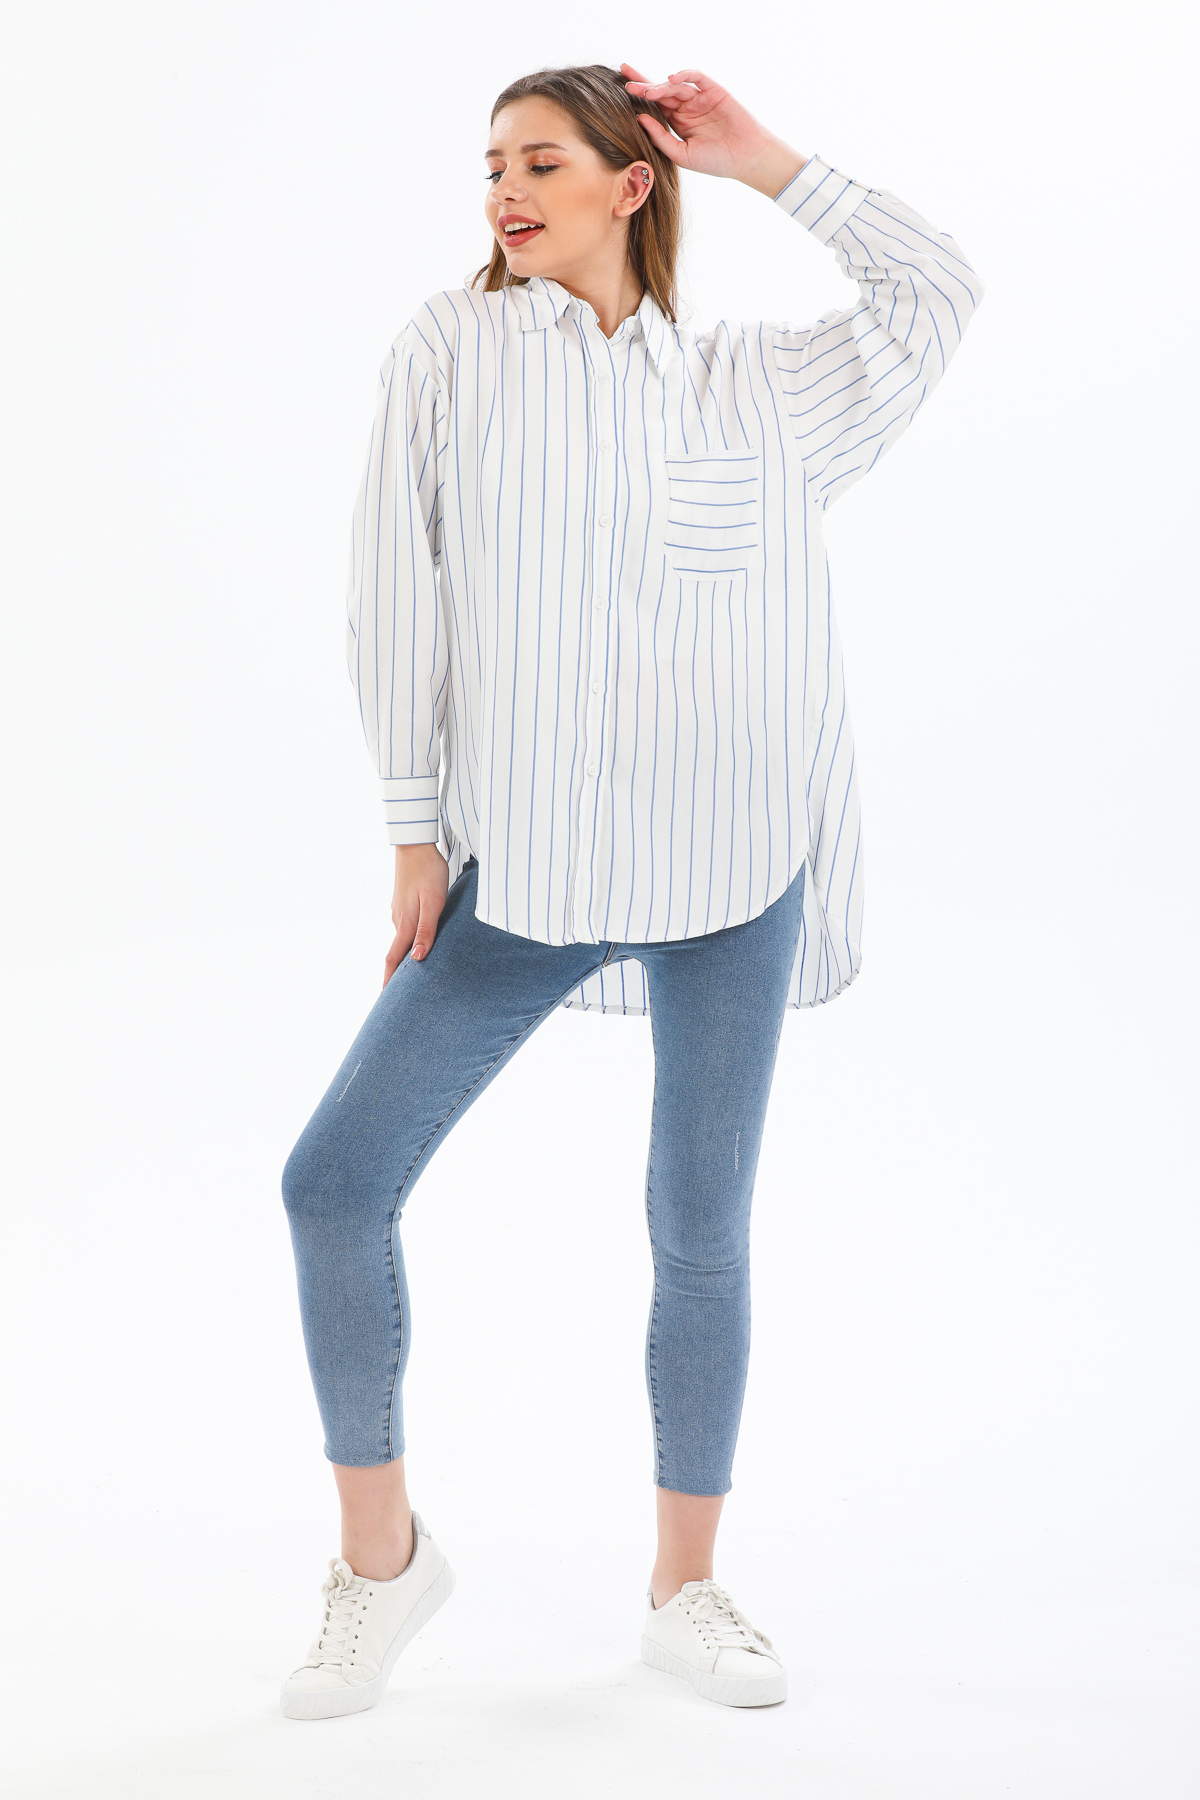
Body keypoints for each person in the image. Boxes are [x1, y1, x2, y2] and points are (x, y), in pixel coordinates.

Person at [278, 60, 984, 1720]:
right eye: (492, 167)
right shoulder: (451, 353)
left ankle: (688, 1587)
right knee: (334, 1186)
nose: (504, 192)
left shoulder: (756, 384)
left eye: (541, 162)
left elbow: (938, 290)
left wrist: (761, 157)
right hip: (525, 872)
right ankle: (382, 1564)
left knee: (698, 1230)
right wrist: (413, 831)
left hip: (736, 866)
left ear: (630, 182)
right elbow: (392, 591)